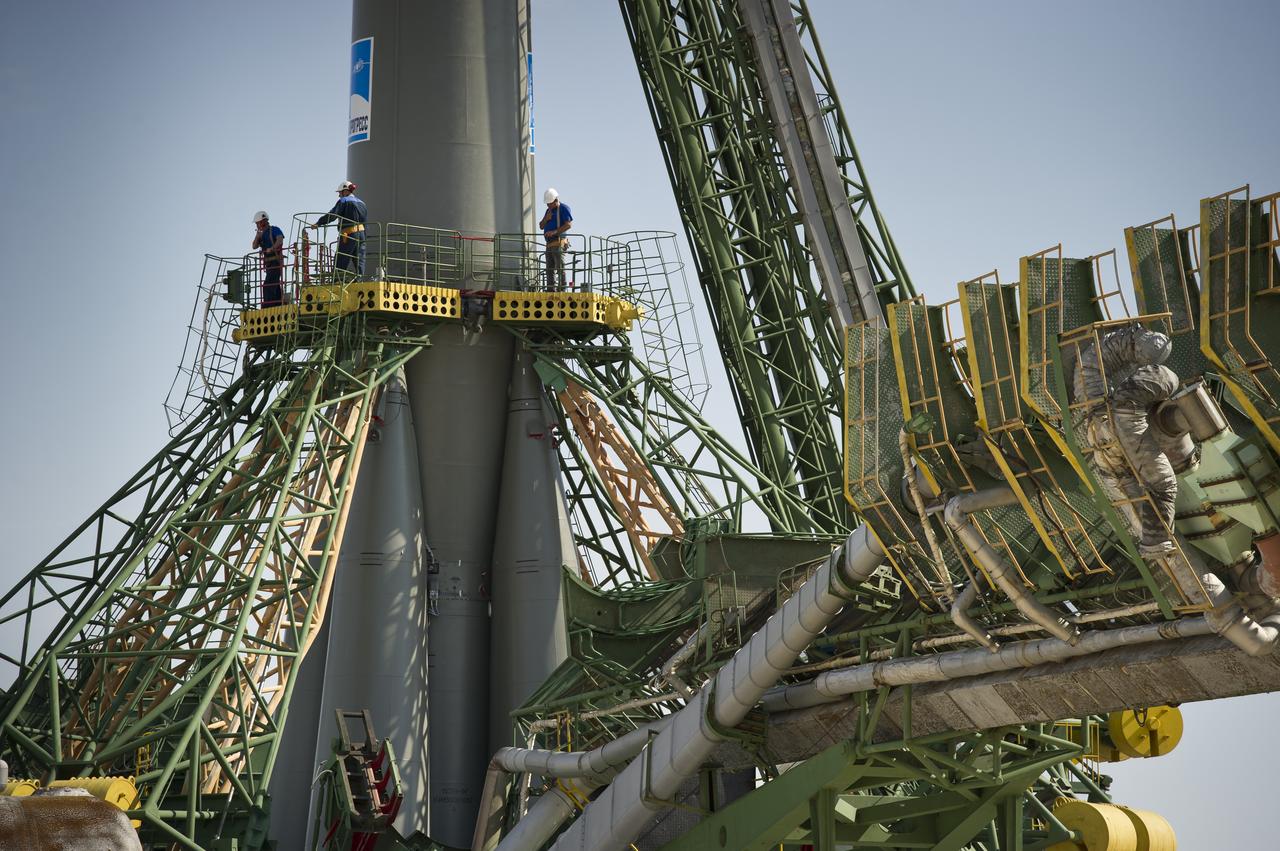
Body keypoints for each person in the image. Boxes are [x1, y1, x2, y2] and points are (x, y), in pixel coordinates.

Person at [1072, 325, 1185, 558]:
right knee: (1163, 485)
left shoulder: (1114, 381)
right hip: (1113, 434)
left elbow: (1092, 368)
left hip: (1099, 434)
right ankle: (1156, 542)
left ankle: (1153, 542)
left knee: (1127, 486)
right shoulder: (1135, 401)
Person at [310, 180, 368, 278]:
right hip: (361, 235)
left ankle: (338, 281)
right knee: (359, 260)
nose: (339, 196)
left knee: (341, 258)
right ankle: (360, 280)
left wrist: (319, 223)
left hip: (349, 234)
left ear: (345, 191)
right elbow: (365, 222)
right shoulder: (363, 204)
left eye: (340, 193)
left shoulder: (344, 201)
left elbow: (333, 215)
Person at [538, 187, 573, 289]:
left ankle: (562, 288)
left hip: (558, 242)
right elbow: (541, 226)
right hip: (549, 244)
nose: (548, 205)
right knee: (549, 268)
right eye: (547, 204)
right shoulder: (548, 211)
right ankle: (550, 289)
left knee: (559, 267)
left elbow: (568, 225)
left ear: (556, 200)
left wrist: (554, 232)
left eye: (550, 203)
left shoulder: (564, 208)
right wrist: (546, 218)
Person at [252, 211, 285, 307]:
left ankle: (268, 305)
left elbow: (280, 239)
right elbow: (254, 246)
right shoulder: (261, 235)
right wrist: (257, 236)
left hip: (276, 261)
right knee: (274, 283)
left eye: (258, 223)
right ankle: (278, 303)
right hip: (268, 264)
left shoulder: (274, 229)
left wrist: (272, 248)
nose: (257, 225)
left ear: (263, 221)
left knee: (268, 285)